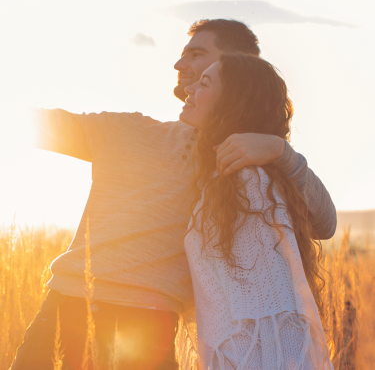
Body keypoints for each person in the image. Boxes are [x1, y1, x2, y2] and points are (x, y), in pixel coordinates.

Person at [10, 20, 336, 370]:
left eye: (196, 55)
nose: (179, 65)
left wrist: (280, 150)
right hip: (66, 308)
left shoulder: (238, 162)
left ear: (237, 64)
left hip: (148, 329)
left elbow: (323, 222)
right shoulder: (128, 130)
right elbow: (31, 125)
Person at [178, 53, 333, 370]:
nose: (189, 90)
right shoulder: (222, 180)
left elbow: (275, 315)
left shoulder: (247, 183)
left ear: (232, 103)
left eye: (204, 83)